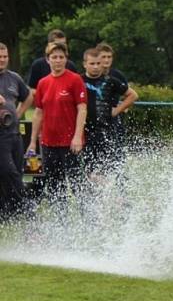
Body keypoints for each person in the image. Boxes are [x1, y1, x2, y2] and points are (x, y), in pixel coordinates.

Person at [26, 42, 87, 204]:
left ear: (66, 59)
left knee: (76, 184)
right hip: (48, 143)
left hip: (70, 143)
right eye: (54, 57)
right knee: (54, 185)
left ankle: (89, 221)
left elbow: (82, 109)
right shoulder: (42, 83)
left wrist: (77, 137)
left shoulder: (75, 80)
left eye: (61, 57)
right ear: (48, 60)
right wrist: (33, 141)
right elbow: (38, 113)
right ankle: (61, 223)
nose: (58, 60)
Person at [82, 48, 139, 175]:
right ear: (85, 64)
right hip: (85, 132)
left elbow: (133, 95)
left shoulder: (111, 81)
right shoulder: (78, 81)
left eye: (98, 64)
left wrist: (117, 110)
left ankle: (114, 191)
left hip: (106, 130)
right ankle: (96, 191)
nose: (96, 67)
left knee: (109, 167)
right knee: (88, 171)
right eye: (92, 64)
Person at [0, 43, 30, 216]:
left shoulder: (14, 77)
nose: (2, 60)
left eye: (5, 56)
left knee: (17, 171)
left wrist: (18, 114)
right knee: (7, 171)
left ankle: (9, 211)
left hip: (14, 134)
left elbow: (28, 97)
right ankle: (27, 209)